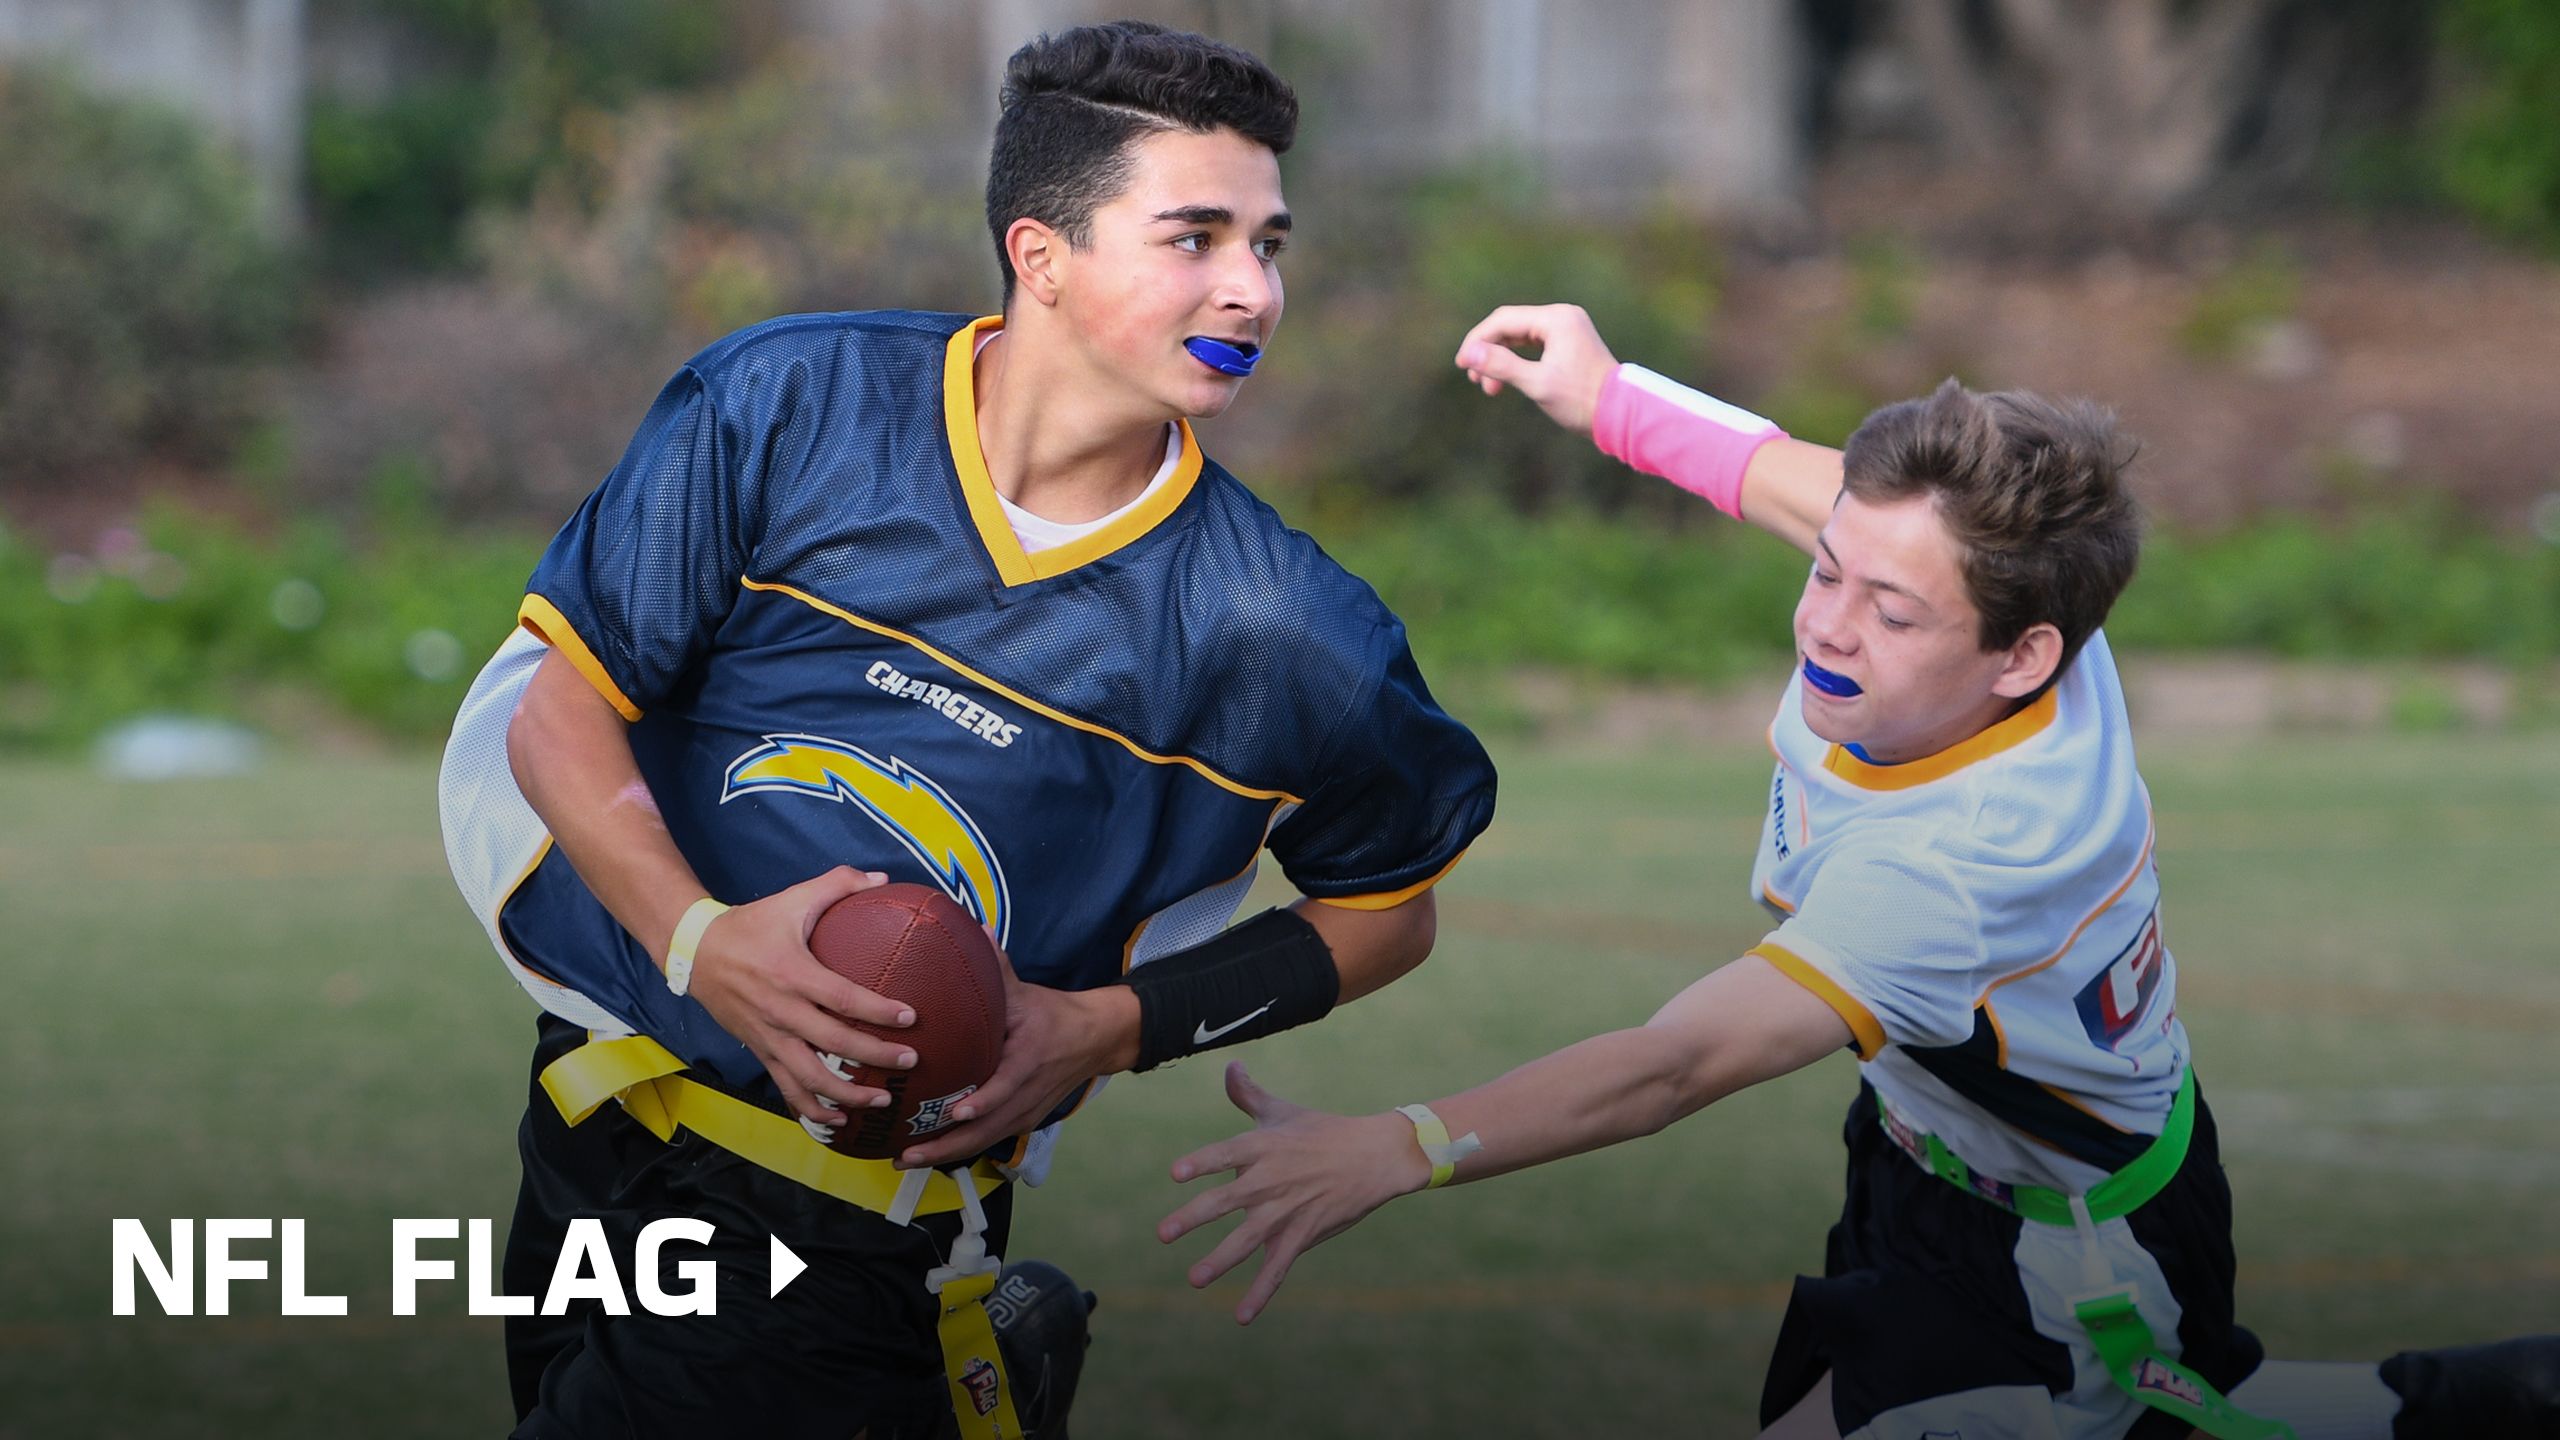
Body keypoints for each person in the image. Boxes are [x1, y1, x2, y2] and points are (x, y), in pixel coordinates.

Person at [1156, 303, 2560, 1440]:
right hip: (1927, 1159)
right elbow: (1793, 479)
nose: (1828, 624)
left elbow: (1675, 1065)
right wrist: (1608, 394)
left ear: (2025, 660)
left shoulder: (1961, 870)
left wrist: (1400, 1144)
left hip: (2064, 1255)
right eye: (1830, 573)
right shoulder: (2002, 588)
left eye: (1887, 611)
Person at [437, 22, 1495, 1439]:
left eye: (1270, 244)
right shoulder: (788, 407)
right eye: (1195, 238)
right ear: (1040, 254)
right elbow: (563, 707)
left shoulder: (1286, 632)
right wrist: (703, 943)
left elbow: (1389, 910)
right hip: (586, 1122)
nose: (1252, 289)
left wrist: (1105, 1029)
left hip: (846, 1223)